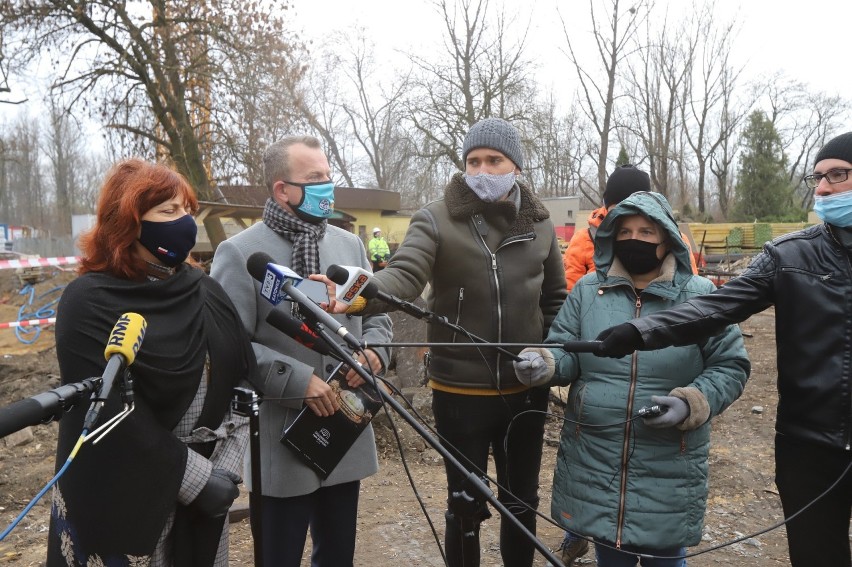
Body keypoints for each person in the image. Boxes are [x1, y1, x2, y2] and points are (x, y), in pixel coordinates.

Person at [594, 130, 852, 567]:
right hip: (810, 445)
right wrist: (639, 332)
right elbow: (713, 308)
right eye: (818, 178)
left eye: (838, 176)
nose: (823, 189)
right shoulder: (790, 256)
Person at [337, 117, 567, 566]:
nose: (482, 169)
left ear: (515, 166)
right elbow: (404, 276)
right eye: (473, 160)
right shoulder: (436, 218)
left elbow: (555, 299)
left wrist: (552, 354)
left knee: (521, 501)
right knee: (465, 503)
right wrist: (358, 295)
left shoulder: (541, 225)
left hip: (526, 391)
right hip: (459, 391)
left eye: (494, 160)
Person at [514, 191, 750, 567]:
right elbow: (566, 349)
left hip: (670, 460)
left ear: (666, 238)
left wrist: (692, 401)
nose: (634, 240)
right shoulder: (589, 291)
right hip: (595, 454)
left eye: (646, 231)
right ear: (610, 237)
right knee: (611, 553)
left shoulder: (701, 297)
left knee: (666, 558)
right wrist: (545, 362)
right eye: (624, 232)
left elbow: (731, 366)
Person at [47, 158, 257, 566]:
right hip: (127, 499)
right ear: (129, 223)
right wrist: (195, 479)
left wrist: (226, 471)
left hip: (209, 496)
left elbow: (241, 380)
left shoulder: (206, 290)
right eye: (169, 211)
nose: (185, 222)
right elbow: (108, 410)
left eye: (187, 210)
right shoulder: (88, 300)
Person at [209, 135, 392, 567]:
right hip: (281, 438)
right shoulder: (238, 253)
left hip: (345, 427)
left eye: (328, 176)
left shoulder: (349, 246)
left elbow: (377, 316)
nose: (327, 186)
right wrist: (296, 380)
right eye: (315, 179)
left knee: (337, 555)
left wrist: (376, 353)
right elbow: (227, 345)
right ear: (282, 189)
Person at [563, 164, 699, 292]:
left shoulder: (676, 240)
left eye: (632, 211)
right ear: (606, 207)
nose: (623, 218)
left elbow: (688, 285)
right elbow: (570, 291)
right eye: (616, 210)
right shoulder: (584, 239)